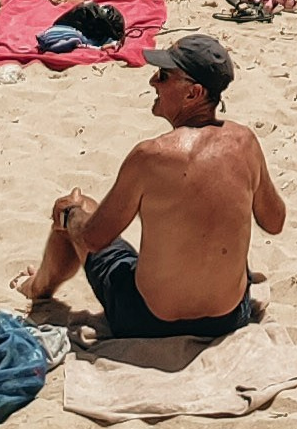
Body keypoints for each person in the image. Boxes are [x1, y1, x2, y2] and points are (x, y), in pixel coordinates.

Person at [14, 35, 281, 338]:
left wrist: (69, 215)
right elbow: (274, 221)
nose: (153, 81)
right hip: (228, 318)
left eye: (164, 76)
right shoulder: (244, 142)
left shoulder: (150, 156)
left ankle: (37, 288)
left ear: (194, 92)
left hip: (146, 321)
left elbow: (96, 239)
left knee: (76, 208)